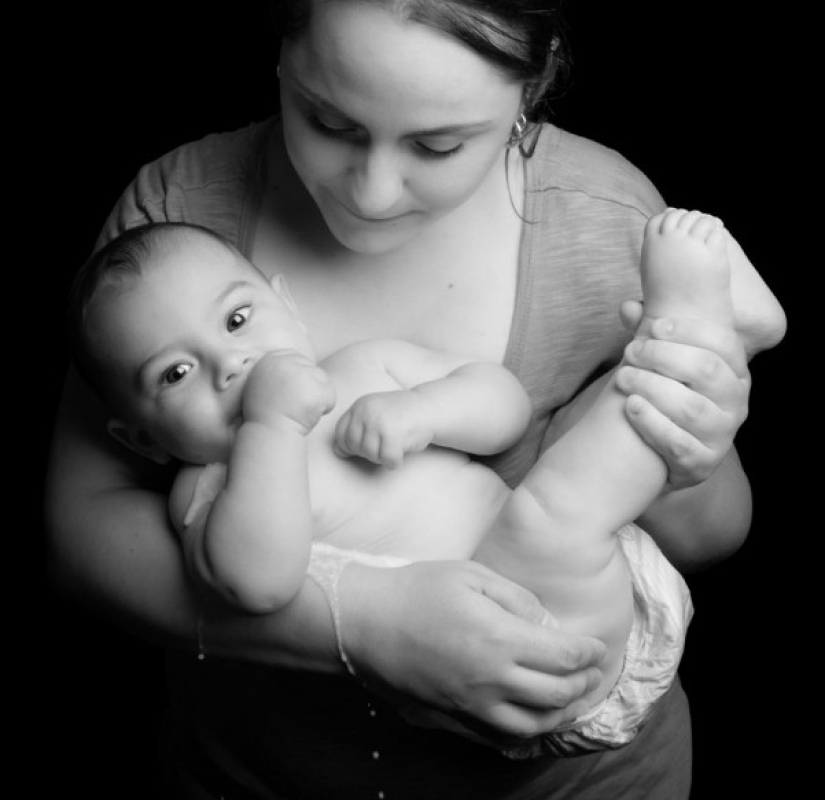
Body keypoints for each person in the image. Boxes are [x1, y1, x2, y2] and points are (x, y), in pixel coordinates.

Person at [45, 0, 786, 800]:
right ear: (280, 54)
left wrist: (694, 439)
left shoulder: (607, 222)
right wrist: (366, 624)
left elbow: (708, 537)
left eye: (439, 145)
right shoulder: (179, 220)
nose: (370, 189)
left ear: (539, 83)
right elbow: (80, 536)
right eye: (327, 119)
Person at [66, 209, 781, 760]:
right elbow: (258, 584)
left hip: (584, 576)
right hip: (524, 649)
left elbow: (502, 409)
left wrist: (425, 410)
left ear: (287, 304)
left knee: (572, 440)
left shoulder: (365, 368)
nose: (229, 361)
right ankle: (690, 331)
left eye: (238, 318)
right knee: (548, 515)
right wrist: (271, 430)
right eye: (175, 374)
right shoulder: (207, 492)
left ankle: (694, 351)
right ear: (141, 438)